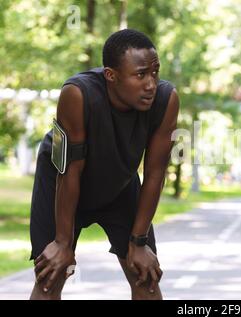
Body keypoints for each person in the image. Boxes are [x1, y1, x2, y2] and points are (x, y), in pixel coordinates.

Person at [29, 29, 179, 300]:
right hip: (61, 184)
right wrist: (63, 242)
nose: (151, 84)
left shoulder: (166, 100)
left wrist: (139, 241)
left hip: (119, 184)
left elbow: (155, 173)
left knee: (146, 278)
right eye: (141, 74)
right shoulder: (77, 94)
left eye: (155, 73)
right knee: (50, 278)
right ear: (111, 75)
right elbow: (69, 170)